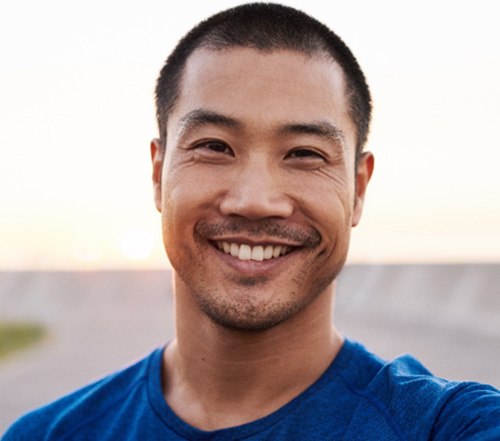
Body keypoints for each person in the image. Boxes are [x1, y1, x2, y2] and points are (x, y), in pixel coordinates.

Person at [3, 3, 500, 440]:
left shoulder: (448, 426)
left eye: (304, 153)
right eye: (214, 146)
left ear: (358, 189)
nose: (255, 200)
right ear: (158, 174)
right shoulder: (47, 434)